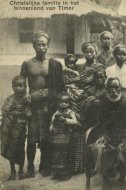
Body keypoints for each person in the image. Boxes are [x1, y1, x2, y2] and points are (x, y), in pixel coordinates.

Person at [20, 31, 65, 177]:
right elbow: (21, 83)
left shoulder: (53, 64)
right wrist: (26, 95)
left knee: (46, 137)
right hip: (33, 106)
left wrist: (48, 94)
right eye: (38, 44)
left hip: (48, 105)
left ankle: (44, 166)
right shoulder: (27, 64)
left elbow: (59, 86)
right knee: (32, 138)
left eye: (44, 44)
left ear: (48, 46)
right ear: (34, 46)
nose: (41, 47)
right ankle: (31, 167)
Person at [88, 77, 126, 189]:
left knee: (125, 149)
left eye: (116, 87)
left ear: (121, 88)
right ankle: (106, 178)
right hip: (107, 137)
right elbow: (98, 125)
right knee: (98, 148)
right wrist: (103, 136)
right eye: (111, 87)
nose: (114, 91)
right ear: (106, 89)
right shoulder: (101, 105)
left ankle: (119, 172)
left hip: (124, 137)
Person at [72, 42, 104, 174]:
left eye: (92, 52)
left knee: (92, 131)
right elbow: (74, 81)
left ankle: (92, 163)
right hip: (78, 99)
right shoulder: (79, 67)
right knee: (78, 130)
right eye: (87, 52)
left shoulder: (100, 67)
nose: (89, 54)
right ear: (83, 53)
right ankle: (79, 165)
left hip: (94, 101)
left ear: (96, 53)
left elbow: (100, 83)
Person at [1, 76, 31, 180]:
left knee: (20, 148)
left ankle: (21, 171)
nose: (19, 88)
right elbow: (4, 111)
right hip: (10, 128)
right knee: (11, 148)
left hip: (20, 128)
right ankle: (13, 171)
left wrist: (20, 113)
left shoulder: (27, 99)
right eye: (16, 86)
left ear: (25, 86)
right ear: (12, 87)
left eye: (21, 86)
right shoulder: (10, 99)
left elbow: (29, 114)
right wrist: (12, 110)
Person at [49, 93, 79, 180]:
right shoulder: (56, 113)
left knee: (65, 154)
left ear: (69, 103)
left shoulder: (71, 112)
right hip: (57, 137)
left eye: (66, 102)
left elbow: (75, 122)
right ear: (58, 103)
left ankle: (66, 173)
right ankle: (56, 172)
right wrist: (51, 128)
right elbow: (52, 123)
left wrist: (65, 120)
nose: (63, 104)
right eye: (61, 102)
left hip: (67, 136)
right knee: (56, 154)